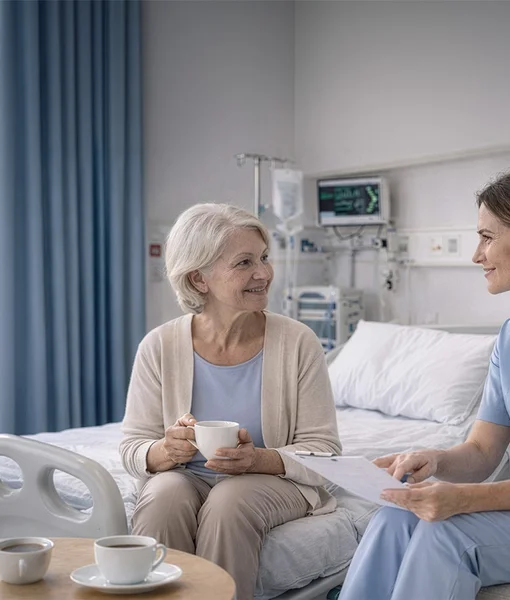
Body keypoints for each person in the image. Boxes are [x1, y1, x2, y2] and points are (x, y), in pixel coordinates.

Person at [120, 203, 341, 600]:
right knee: (162, 498)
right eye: (244, 262)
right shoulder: (160, 345)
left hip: (271, 481)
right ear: (198, 279)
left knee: (229, 501)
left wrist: (257, 459)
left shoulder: (298, 342)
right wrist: (165, 451)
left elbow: (324, 452)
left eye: (264, 258)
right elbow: (133, 447)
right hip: (185, 476)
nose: (264, 273)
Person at [338, 171, 510, 600]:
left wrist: (463, 500)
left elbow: (470, 496)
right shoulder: (508, 339)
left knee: (444, 538)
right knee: (393, 518)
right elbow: (483, 452)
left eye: (487, 238)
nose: (476, 255)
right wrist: (433, 459)